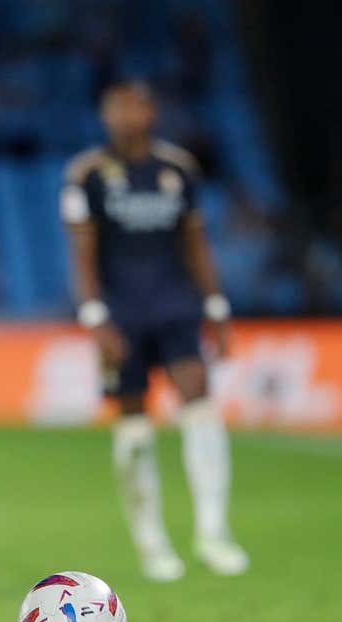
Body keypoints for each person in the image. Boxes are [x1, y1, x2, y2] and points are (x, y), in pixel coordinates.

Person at [61, 80, 249, 581]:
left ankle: (214, 533)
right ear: (105, 116)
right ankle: (153, 544)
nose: (125, 116)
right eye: (115, 108)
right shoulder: (87, 175)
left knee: (200, 404)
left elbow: (195, 242)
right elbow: (82, 253)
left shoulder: (177, 169)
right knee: (136, 429)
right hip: (121, 314)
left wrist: (215, 304)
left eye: (134, 106)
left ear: (150, 112)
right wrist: (95, 319)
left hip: (176, 306)